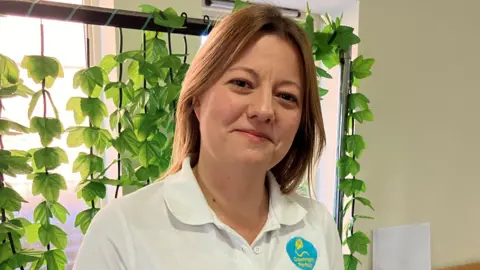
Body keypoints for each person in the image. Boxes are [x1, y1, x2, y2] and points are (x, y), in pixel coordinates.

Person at [73, 4, 343, 270]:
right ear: (197, 98)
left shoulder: (317, 226)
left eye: (286, 96)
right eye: (241, 83)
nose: (264, 110)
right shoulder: (122, 230)